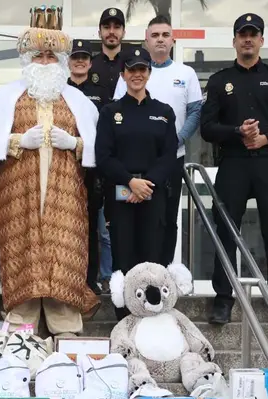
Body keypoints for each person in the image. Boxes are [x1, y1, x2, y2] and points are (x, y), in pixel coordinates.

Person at [0, 7, 100, 337]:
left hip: (66, 197)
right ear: (28, 59)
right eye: (39, 56)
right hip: (19, 196)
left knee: (64, 255)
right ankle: (21, 330)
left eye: (51, 56)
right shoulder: (5, 97)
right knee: (22, 254)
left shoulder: (79, 101)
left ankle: (65, 328)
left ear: (61, 61)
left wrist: (75, 144)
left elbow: (100, 151)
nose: (45, 62)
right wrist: (15, 141)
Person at [201, 13, 268, 327]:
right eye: (242, 34)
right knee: (226, 232)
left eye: (253, 34)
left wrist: (266, 137)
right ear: (234, 40)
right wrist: (238, 131)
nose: (247, 39)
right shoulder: (220, 80)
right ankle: (223, 299)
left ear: (261, 40)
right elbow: (207, 128)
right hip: (233, 163)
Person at [96, 48, 178, 320]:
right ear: (123, 74)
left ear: (149, 73)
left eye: (142, 69)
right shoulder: (111, 112)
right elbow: (104, 156)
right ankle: (124, 321)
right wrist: (131, 182)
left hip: (153, 194)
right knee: (124, 259)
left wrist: (145, 184)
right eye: (131, 70)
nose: (137, 74)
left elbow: (168, 156)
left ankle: (153, 320)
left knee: (153, 258)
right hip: (121, 194)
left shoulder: (164, 113)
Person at [113, 15, 202, 267]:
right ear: (146, 40)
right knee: (131, 221)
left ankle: (163, 275)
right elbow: (119, 111)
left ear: (173, 40)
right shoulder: (131, 74)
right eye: (155, 35)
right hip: (133, 164)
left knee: (166, 219)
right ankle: (132, 282)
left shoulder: (186, 73)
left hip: (170, 160)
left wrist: (175, 141)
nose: (160, 40)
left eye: (165, 35)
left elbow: (196, 112)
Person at [67, 38, 111, 296]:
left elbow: (106, 131)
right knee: (68, 227)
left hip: (92, 168)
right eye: (75, 57)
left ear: (91, 62)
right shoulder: (60, 90)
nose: (80, 61)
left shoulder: (102, 91)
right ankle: (68, 277)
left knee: (93, 228)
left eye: (84, 57)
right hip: (67, 166)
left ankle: (90, 280)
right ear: (68, 62)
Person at [91, 8, 126, 99]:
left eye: (117, 27)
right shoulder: (89, 65)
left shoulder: (130, 66)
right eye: (106, 27)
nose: (111, 31)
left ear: (124, 33)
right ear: (99, 33)